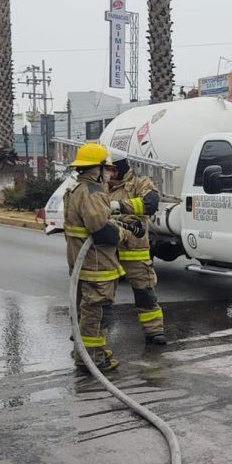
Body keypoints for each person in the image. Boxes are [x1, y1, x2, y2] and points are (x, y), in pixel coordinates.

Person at [63, 143, 145, 372]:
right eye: (107, 169)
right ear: (97, 169)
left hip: (83, 265)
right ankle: (92, 359)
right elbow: (102, 232)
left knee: (86, 310)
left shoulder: (75, 189)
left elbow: (94, 222)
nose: (110, 173)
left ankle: (85, 352)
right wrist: (127, 233)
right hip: (97, 265)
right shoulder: (94, 193)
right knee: (96, 313)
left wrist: (119, 221)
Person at [107, 148, 167, 345]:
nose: (107, 173)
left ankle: (154, 331)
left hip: (135, 250)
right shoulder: (99, 186)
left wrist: (120, 206)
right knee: (101, 294)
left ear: (119, 168)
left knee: (145, 293)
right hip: (107, 250)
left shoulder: (141, 183)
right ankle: (93, 334)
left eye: (110, 169)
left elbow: (150, 203)